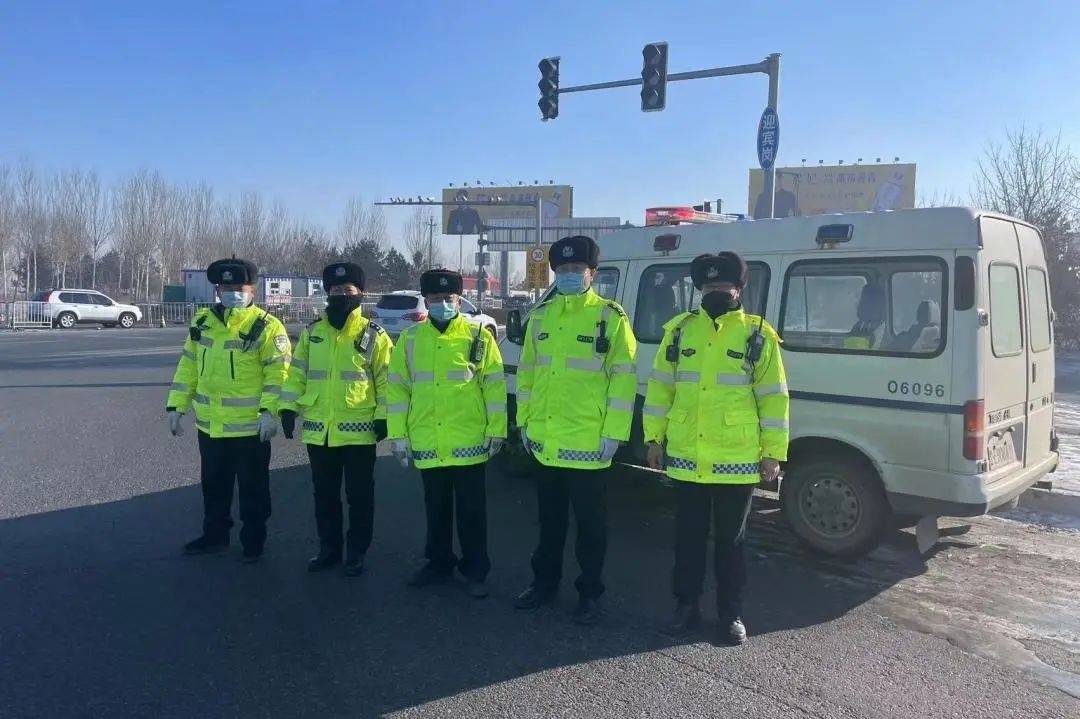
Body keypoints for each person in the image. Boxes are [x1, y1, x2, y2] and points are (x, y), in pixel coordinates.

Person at [643, 252, 789, 645]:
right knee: (686, 539)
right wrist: (653, 438)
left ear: (739, 289)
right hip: (688, 456)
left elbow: (774, 398)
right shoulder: (679, 331)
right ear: (699, 290)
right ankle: (685, 607)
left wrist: (773, 452)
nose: (716, 292)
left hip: (736, 460)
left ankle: (731, 614)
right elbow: (660, 389)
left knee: (732, 543)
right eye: (709, 287)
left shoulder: (758, 334)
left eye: (724, 287)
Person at [513, 235, 637, 624]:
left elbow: (623, 379)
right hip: (546, 443)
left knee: (590, 528)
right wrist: (524, 423)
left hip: (589, 444)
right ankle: (544, 585)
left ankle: (590, 593)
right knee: (549, 523)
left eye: (575, 270)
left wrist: (614, 433)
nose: (568, 275)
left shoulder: (610, 318)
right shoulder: (541, 318)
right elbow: (528, 375)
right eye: (562, 270)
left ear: (592, 273)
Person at [386, 269, 507, 598]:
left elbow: (494, 386)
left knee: (472, 511)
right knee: (435, 508)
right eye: (436, 299)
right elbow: (397, 389)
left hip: (469, 440)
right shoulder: (411, 339)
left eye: (449, 299)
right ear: (426, 301)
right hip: (428, 439)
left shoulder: (478, 335)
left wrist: (497, 430)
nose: (443, 304)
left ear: (459, 300)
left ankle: (475, 569)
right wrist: (398, 435)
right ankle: (438, 563)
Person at [166, 258, 291, 563]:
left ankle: (253, 542)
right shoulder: (202, 322)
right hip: (210, 426)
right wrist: (176, 405)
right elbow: (188, 366)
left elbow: (279, 374)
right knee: (213, 487)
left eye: (239, 287)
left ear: (252, 290)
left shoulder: (268, 327)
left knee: (253, 490)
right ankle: (215, 536)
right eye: (226, 287)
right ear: (217, 290)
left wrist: (269, 413)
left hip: (250, 428)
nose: (233, 292)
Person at [278, 262, 392, 576]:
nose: (342, 295)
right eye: (336, 290)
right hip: (320, 432)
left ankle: (356, 552)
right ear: (327, 293)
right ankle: (328, 549)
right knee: (324, 496)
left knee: (359, 497)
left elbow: (386, 381)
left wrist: (384, 417)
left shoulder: (374, 335)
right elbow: (297, 373)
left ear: (361, 294)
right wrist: (286, 407)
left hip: (360, 433)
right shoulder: (313, 333)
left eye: (348, 290)